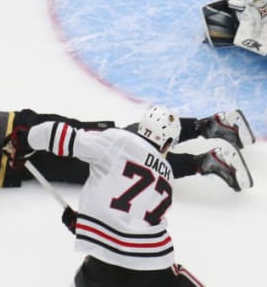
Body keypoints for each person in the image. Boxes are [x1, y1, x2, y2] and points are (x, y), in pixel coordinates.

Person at [0, 88, 254, 207]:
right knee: (117, 137)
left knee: (123, 158)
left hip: (35, 154)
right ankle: (210, 125)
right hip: (32, 126)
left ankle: (205, 161)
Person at [22, 105, 206, 286]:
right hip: (151, 268)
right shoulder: (167, 173)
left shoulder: (119, 140)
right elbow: (134, 220)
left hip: (100, 270)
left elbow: (60, 135)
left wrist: (24, 139)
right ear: (167, 143)